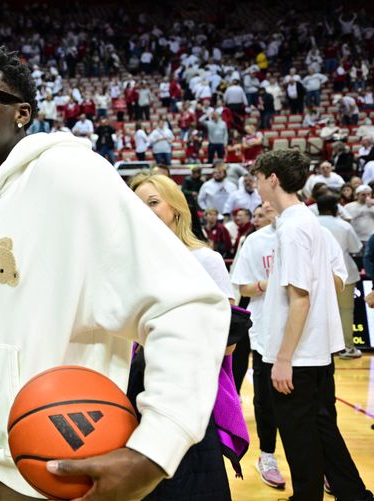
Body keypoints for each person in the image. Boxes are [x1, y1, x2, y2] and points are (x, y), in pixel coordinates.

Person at [0, 42, 229, 501]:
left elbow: (188, 306)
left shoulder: (68, 173)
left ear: (21, 113)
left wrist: (155, 449)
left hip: (54, 459)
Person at [250, 149, 374, 501]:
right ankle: (354, 494)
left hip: (298, 356)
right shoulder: (309, 224)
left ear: (272, 179)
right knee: (323, 431)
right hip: (316, 351)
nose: (256, 186)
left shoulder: (292, 228)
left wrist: (283, 358)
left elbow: (300, 298)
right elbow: (336, 281)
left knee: (301, 439)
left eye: (258, 179)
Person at [130, 173, 245, 501]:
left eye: (153, 202)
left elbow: (229, 339)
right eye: (138, 205)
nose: (145, 211)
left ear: (176, 209)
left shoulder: (205, 260)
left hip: (190, 392)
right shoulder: (129, 263)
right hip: (138, 390)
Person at [230, 202, 287, 490]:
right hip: (265, 331)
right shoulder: (254, 241)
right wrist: (269, 283)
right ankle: (267, 456)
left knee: (307, 404)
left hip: (302, 333)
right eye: (257, 212)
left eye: (263, 212)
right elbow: (242, 287)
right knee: (266, 400)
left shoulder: (303, 233)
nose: (259, 217)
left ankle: (316, 459)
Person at [316, 193, 364, 360]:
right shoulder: (343, 225)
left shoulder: (311, 225)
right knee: (345, 312)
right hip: (344, 274)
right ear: (335, 207)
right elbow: (355, 248)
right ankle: (347, 348)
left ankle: (322, 348)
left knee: (317, 311)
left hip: (316, 275)